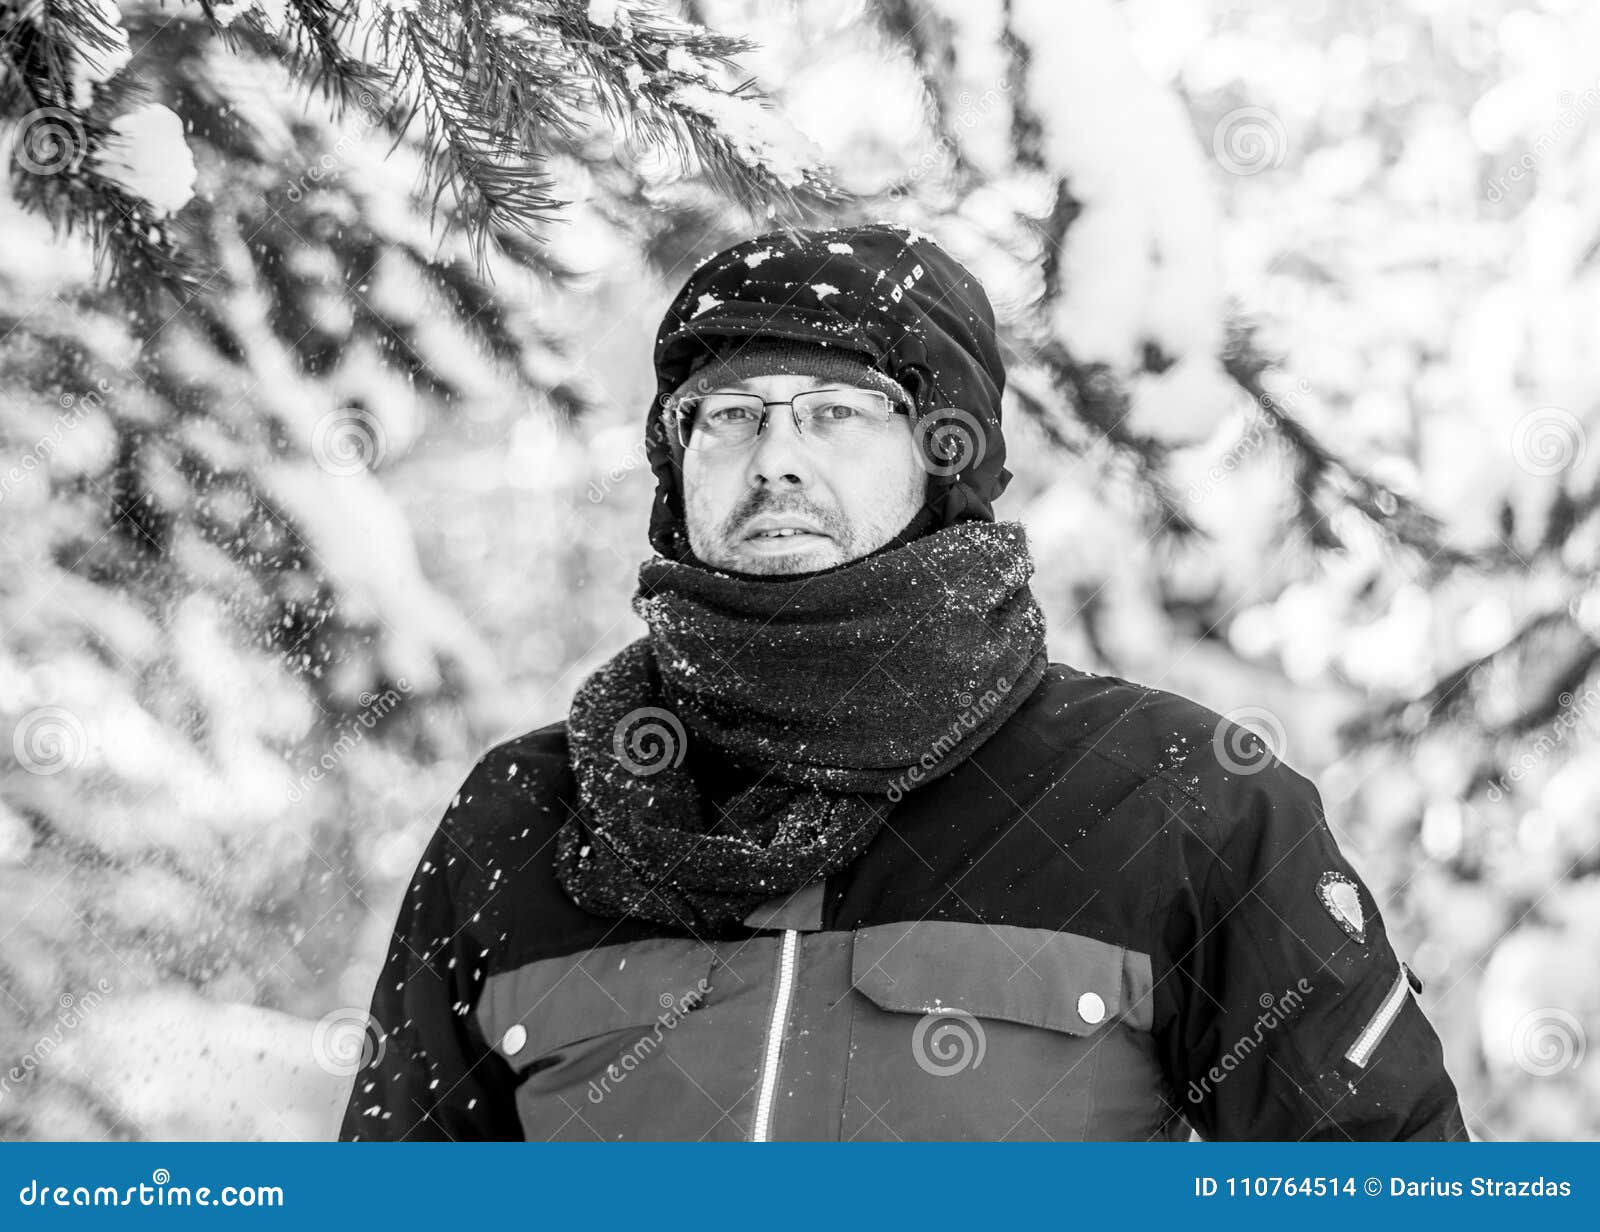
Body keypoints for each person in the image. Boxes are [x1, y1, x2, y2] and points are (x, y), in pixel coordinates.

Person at [338, 221, 1469, 1142]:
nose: (774, 457)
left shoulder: (1174, 797)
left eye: (834, 411)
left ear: (947, 452)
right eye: (728, 416)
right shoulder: (524, 817)